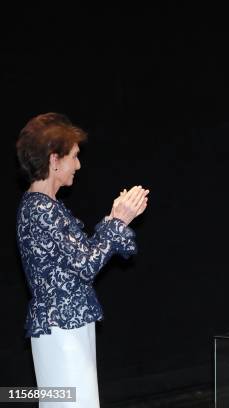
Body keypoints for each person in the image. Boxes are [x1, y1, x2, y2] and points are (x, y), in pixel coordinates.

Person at [15, 113, 149, 408]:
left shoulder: (44, 206)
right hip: (62, 330)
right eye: (74, 156)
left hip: (66, 327)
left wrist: (115, 220)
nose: (78, 164)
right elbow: (86, 265)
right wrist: (119, 222)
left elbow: (81, 255)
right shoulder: (41, 210)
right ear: (54, 160)